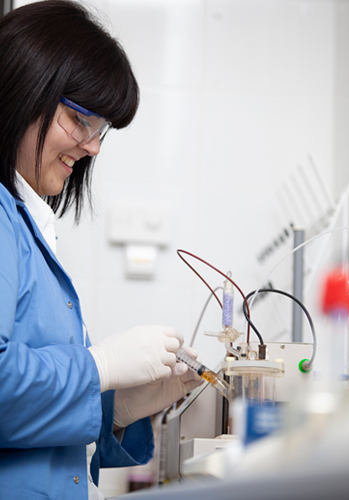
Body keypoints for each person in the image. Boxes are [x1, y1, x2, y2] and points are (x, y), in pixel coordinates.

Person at [0, 1, 203, 499]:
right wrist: (101, 366)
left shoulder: (25, 224)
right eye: (78, 119)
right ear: (22, 89)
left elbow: (41, 435)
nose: (93, 146)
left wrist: (120, 406)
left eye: (101, 130)